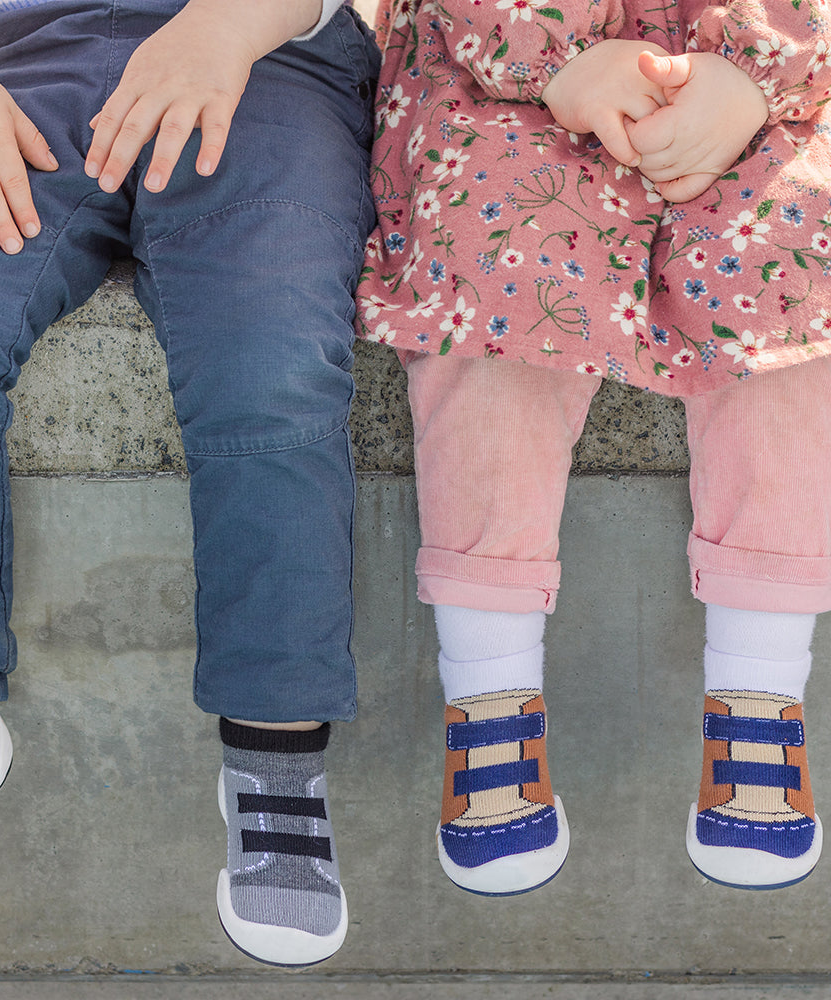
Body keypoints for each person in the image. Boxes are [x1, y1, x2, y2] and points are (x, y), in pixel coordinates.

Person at [0, 0, 379, 965]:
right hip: (9, 65)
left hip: (262, 64)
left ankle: (277, 758)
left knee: (271, 359)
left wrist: (231, 26)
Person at [358, 0, 831, 894]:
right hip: (507, 73)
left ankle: (760, 689)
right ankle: (489, 693)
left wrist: (755, 67)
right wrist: (559, 58)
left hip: (754, 82)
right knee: (498, 257)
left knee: (795, 254)